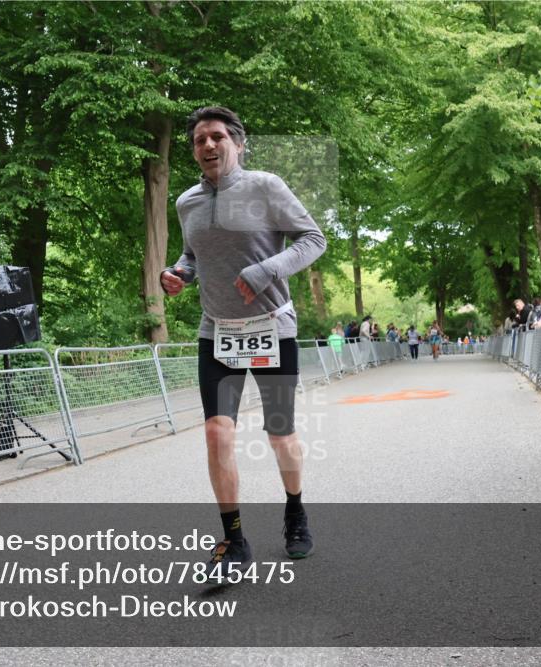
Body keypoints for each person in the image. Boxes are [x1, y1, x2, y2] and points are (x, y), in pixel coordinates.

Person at [160, 106, 326, 579]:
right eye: (198, 141)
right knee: (216, 433)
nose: (207, 146)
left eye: (216, 137)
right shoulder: (187, 202)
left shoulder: (266, 187)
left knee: (280, 434)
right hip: (218, 331)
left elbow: (313, 239)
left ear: (237, 142)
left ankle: (295, 510)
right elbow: (192, 256)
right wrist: (178, 275)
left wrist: (267, 269)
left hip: (272, 326)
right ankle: (233, 540)